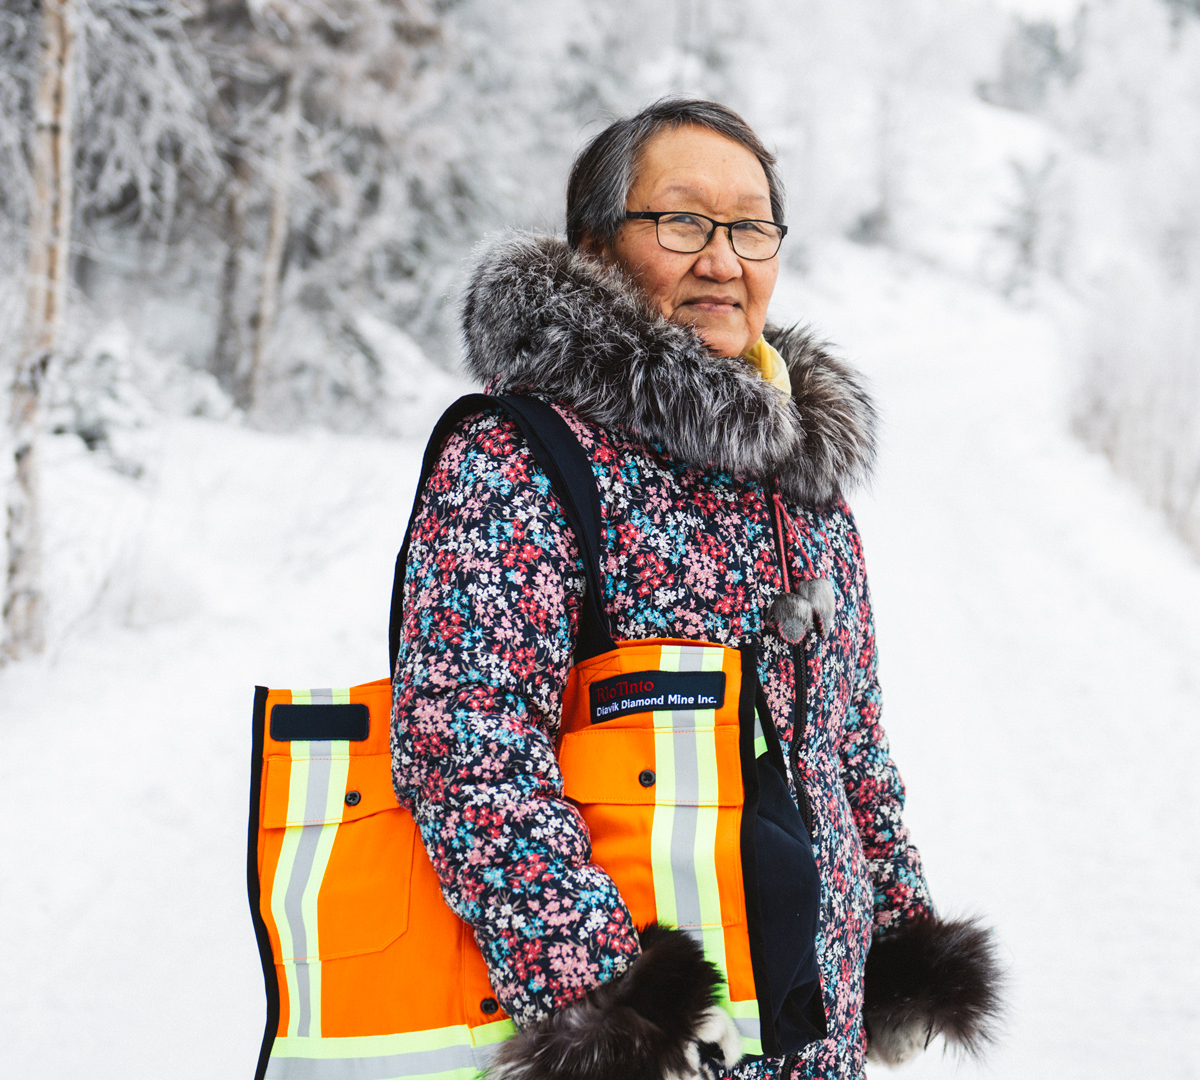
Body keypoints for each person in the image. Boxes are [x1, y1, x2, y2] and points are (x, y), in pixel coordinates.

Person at [390, 98, 1001, 1080]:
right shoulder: (522, 459)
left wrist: (898, 934)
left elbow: (847, 738)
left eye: (751, 227)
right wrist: (613, 999)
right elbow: (463, 742)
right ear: (595, 244)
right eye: (682, 222)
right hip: (646, 1051)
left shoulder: (805, 481)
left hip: (817, 1031)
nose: (723, 260)